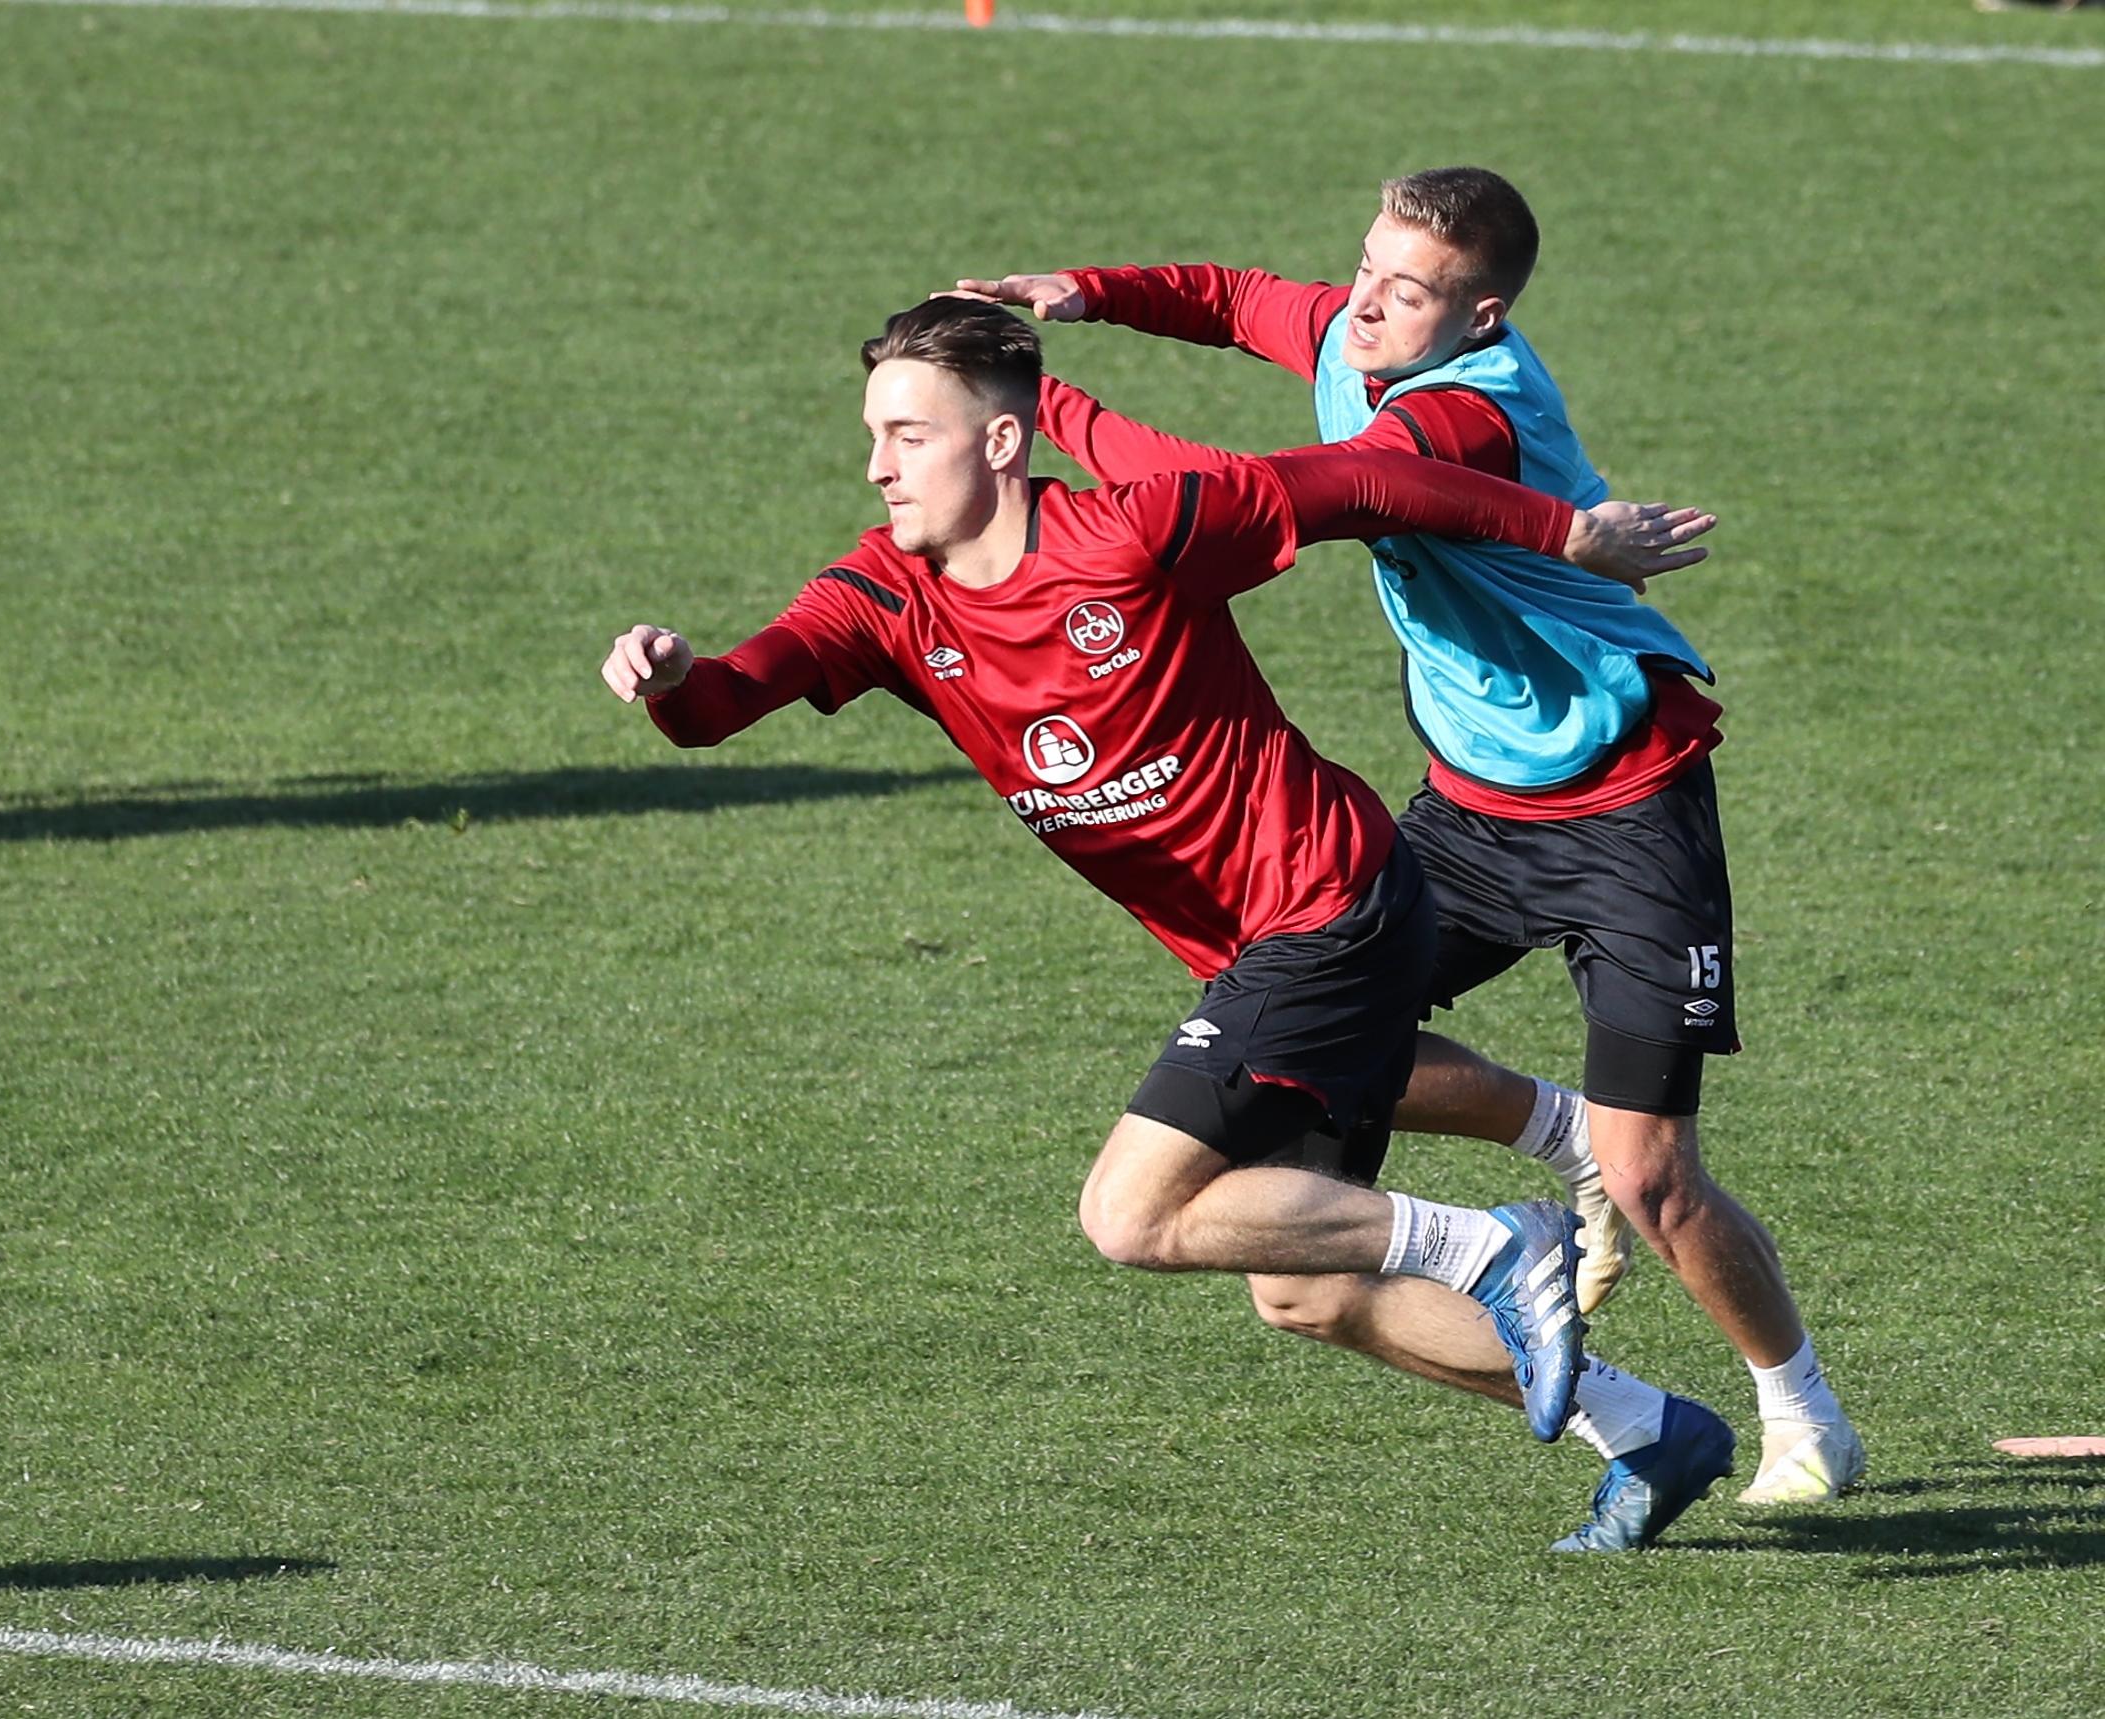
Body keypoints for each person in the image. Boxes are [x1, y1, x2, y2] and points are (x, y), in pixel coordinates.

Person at [602, 297, 1733, 1551]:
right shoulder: (882, 597)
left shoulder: (1138, 529)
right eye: (873, 435)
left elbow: (1362, 479)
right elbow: (721, 705)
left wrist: (1567, 531)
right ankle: (1645, 1429)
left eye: (908, 434)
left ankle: (1492, 1245)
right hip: (1265, 946)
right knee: (1304, 1288)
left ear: (998, 442)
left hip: (1333, 903)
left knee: (1129, 1216)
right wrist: (667, 680)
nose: (877, 464)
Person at [950, 165, 1864, 1506]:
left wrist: (1046, 405)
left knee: (1655, 1172)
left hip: (1625, 801)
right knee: (1324, 1002)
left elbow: (1252, 489)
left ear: (1481, 314)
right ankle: (1556, 1148)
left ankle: (1802, 1407)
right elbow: (1246, 299)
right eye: (1369, 268)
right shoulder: (1360, 330)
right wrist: (1086, 293)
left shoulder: (1464, 420)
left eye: (1409, 291)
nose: (1366, 305)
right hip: (1468, 807)